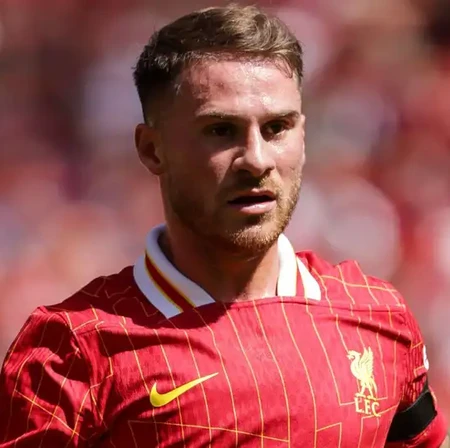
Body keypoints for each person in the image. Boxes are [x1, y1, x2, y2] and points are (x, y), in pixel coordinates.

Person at [0, 4, 448, 447]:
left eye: (277, 127)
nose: (256, 159)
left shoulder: (378, 317)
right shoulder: (70, 351)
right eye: (220, 130)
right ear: (152, 149)